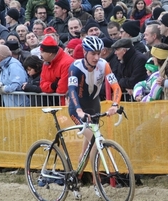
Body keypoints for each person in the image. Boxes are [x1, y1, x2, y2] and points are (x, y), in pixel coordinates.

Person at [67, 36, 122, 199]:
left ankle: (76, 178)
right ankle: (96, 182)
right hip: (77, 109)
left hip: (94, 106)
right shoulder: (75, 67)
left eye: (99, 53)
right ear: (85, 52)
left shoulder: (104, 65)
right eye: (93, 54)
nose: (97, 57)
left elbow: (116, 87)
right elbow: (72, 91)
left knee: (88, 148)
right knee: (95, 144)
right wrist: (79, 111)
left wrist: (115, 104)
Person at [40, 35, 74, 105]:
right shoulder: (46, 63)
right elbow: (42, 85)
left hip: (67, 103)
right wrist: (53, 86)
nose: (40, 54)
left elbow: (62, 89)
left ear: (50, 53)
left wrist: (51, 88)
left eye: (42, 52)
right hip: (55, 102)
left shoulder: (67, 63)